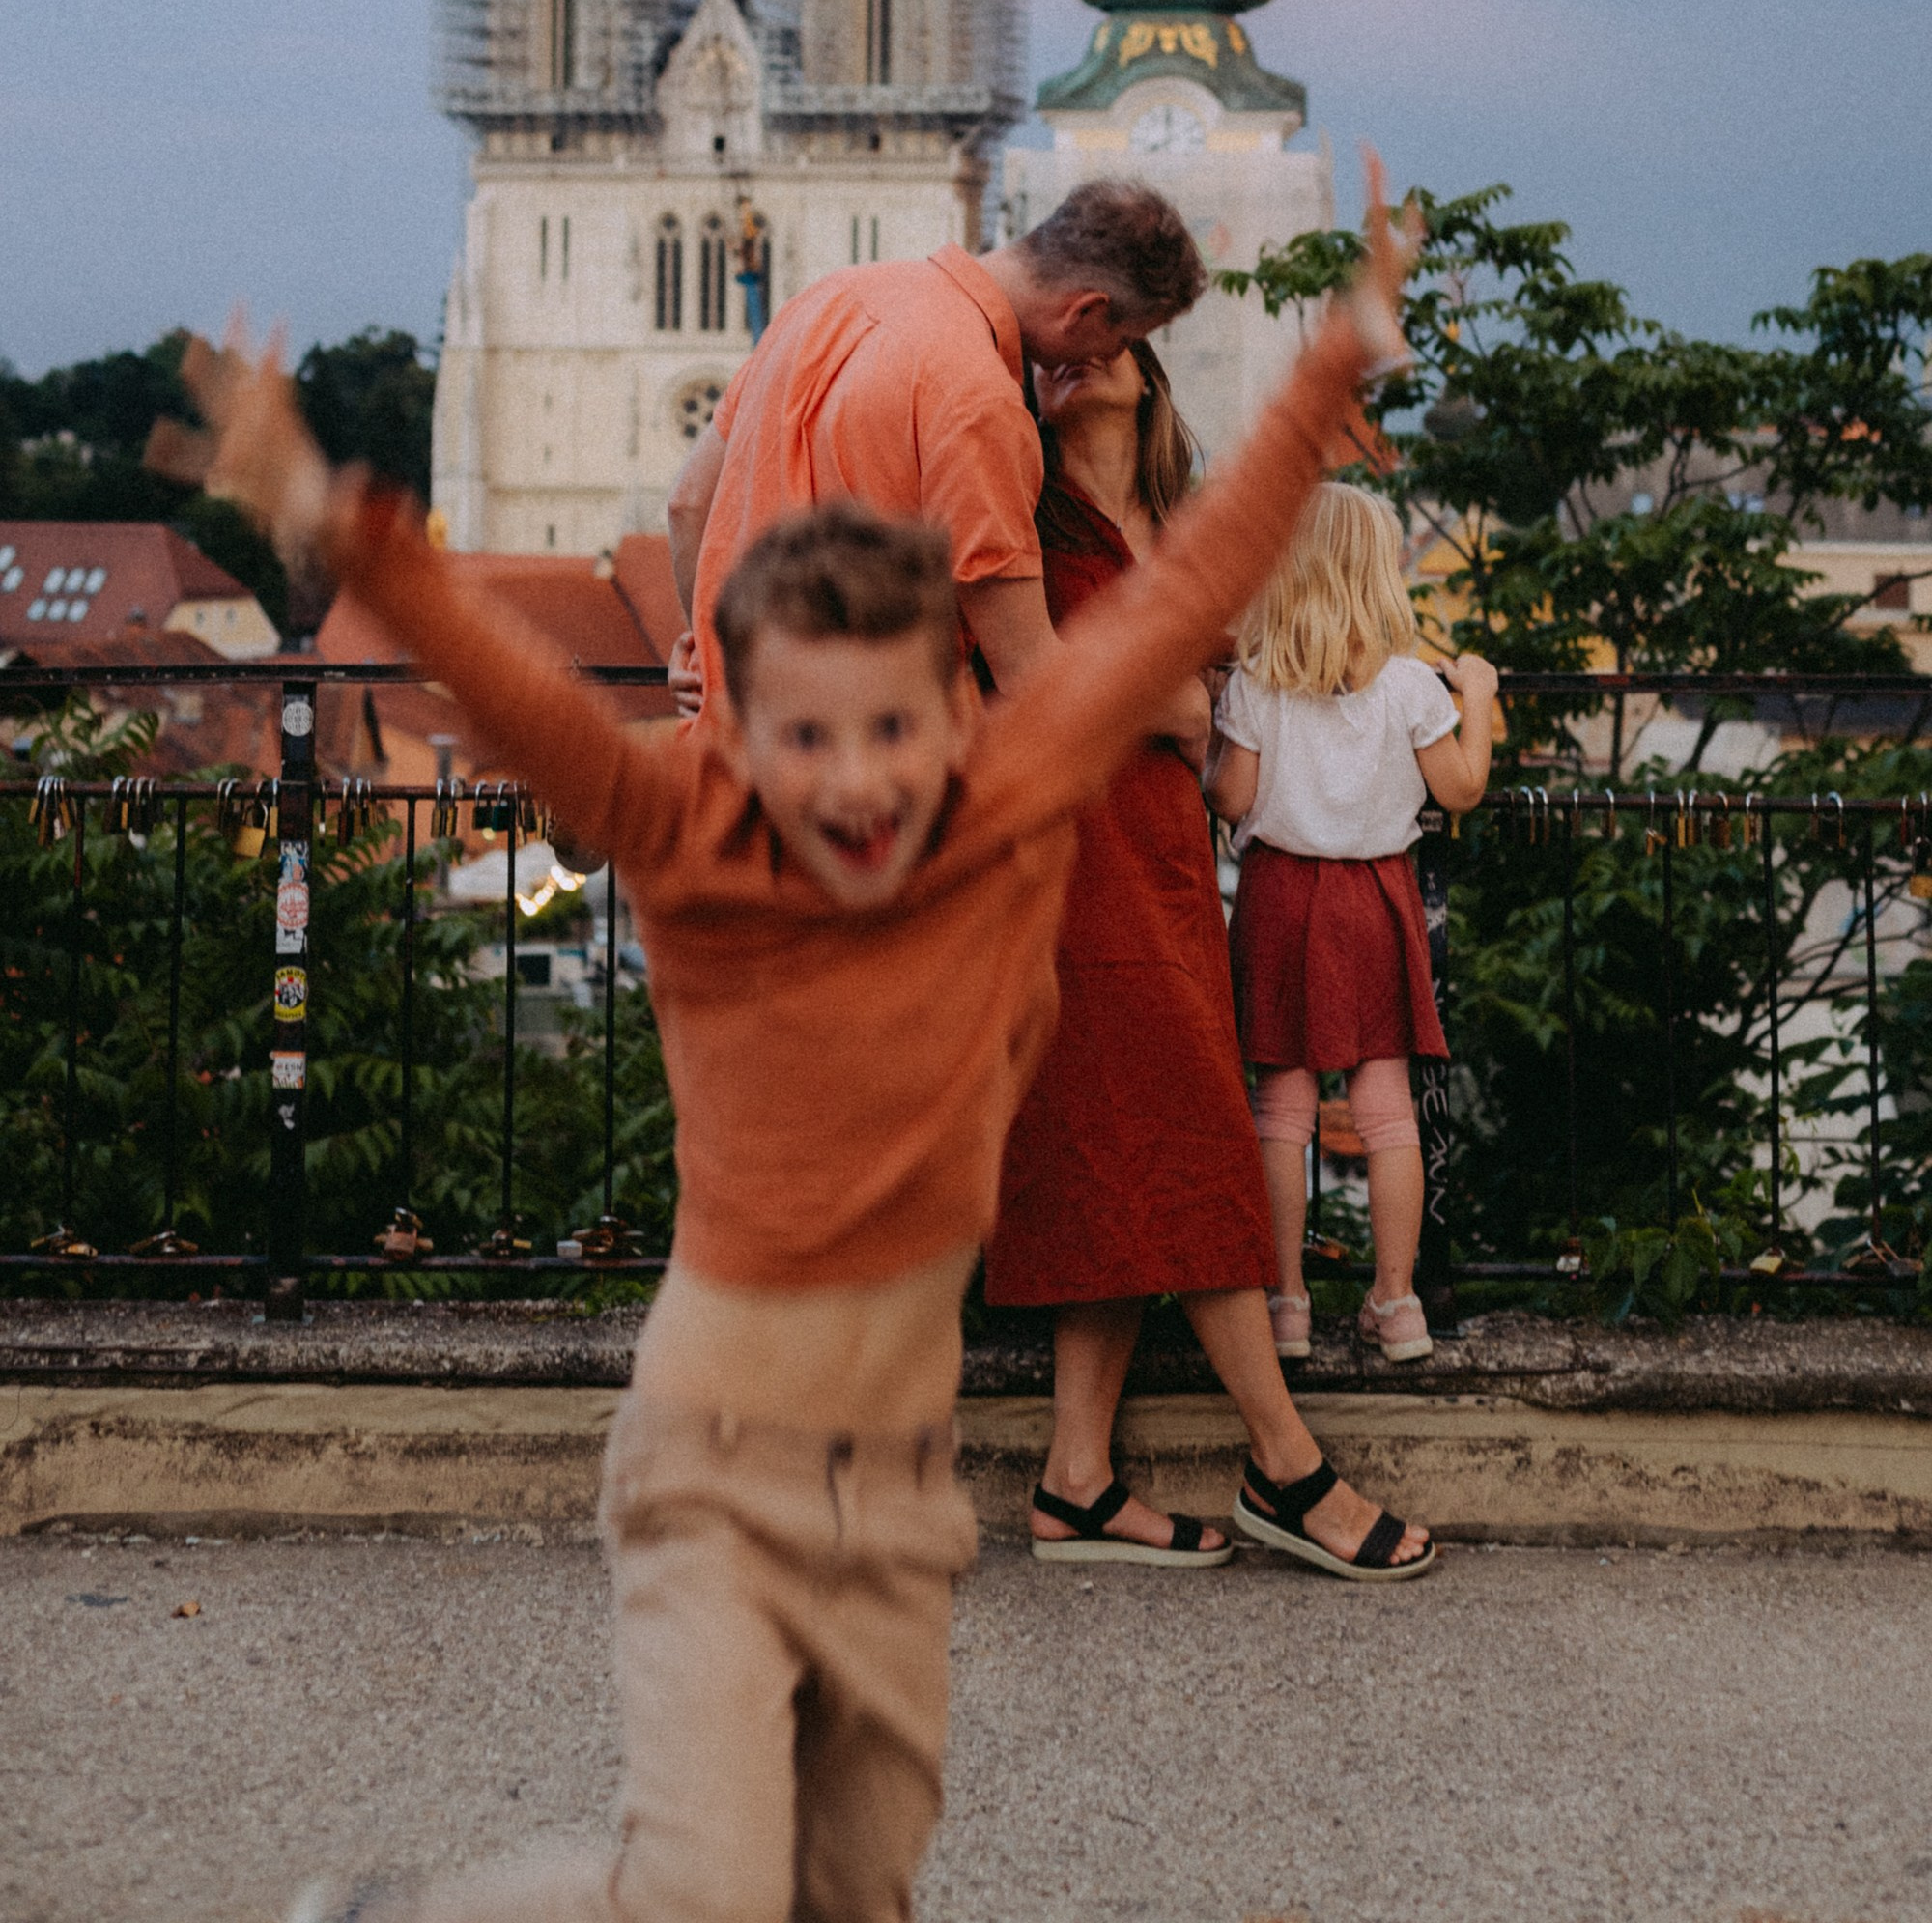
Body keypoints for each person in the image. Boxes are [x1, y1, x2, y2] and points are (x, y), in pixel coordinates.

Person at [176, 162, 1426, 1923]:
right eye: (806, 735)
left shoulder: (998, 807)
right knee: (700, 1897)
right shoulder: (689, 829)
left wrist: (1328, 373)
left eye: (894, 727)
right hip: (715, 1465)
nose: (855, 780)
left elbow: (1174, 595)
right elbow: (516, 695)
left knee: (853, 1895)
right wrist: (328, 507)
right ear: (740, 732)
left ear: (958, 716)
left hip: (899, 1510)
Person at [987, 341, 1399, 1572]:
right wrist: (1163, 697)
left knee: (1120, 1149)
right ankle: (1287, 1466)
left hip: (1163, 851)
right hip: (1073, 858)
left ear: (1151, 370)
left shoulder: (1175, 515)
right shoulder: (1019, 509)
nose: (1079, 354)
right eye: (1053, 349)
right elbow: (1043, 683)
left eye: (1108, 336)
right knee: (1190, 1141)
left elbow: (1224, 686)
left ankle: (1074, 1480)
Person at [666, 179, 1208, 714]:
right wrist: (1183, 713)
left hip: (740, 745)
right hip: (859, 767)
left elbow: (689, 504)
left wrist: (715, 661)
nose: (1115, 352)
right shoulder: (981, 403)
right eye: (1125, 339)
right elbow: (1028, 672)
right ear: (1085, 311)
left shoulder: (829, 298)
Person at [1204, 483, 1498, 1368]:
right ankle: (1398, 1303)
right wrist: (1476, 693)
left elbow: (1230, 797)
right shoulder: (1412, 686)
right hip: (1378, 899)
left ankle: (1286, 1307)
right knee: (1388, 1112)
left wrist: (1217, 730)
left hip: (1281, 898)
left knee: (1281, 1106)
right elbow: (1462, 790)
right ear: (1381, 574)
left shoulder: (1259, 683)